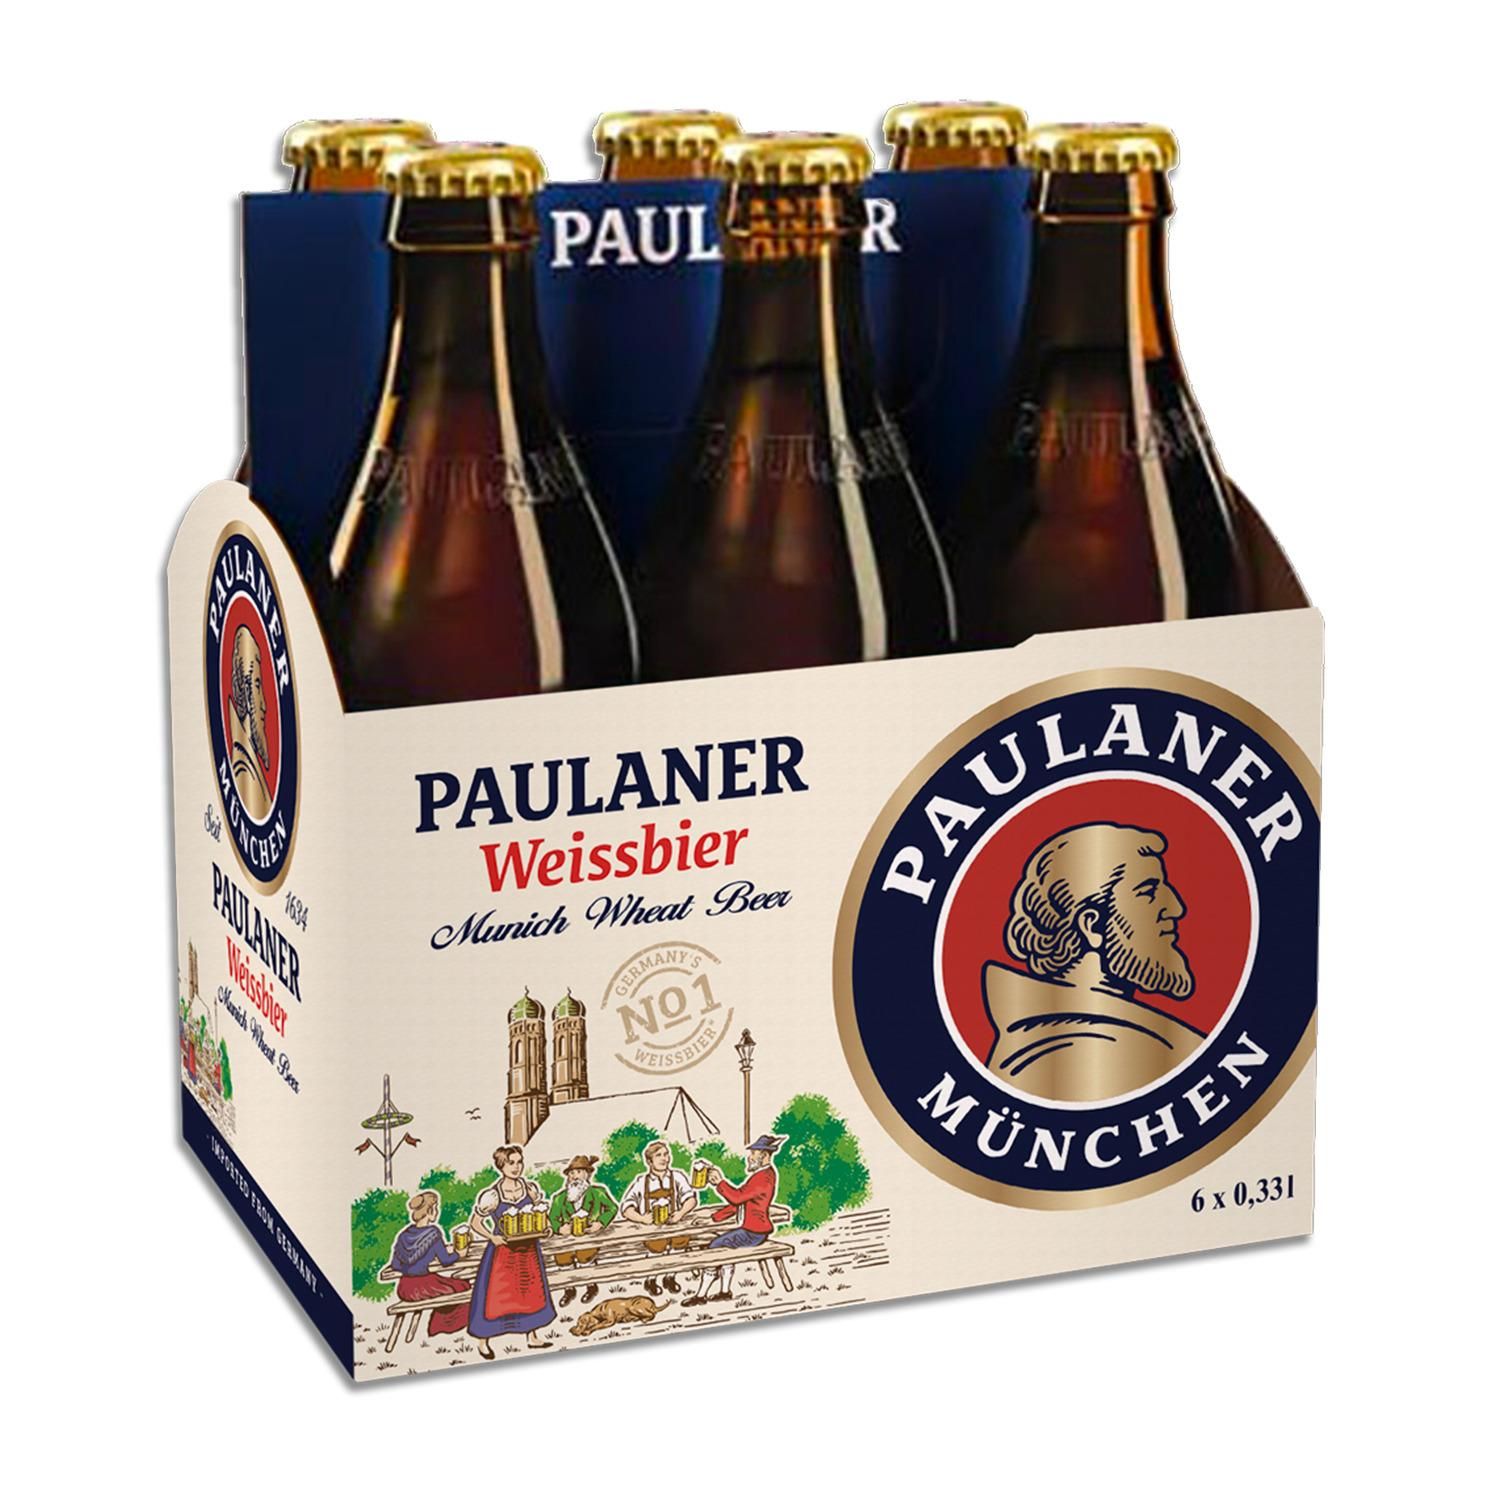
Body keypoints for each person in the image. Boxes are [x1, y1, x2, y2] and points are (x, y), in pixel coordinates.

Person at [985, 822, 1207, 1101]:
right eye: (1148, 892)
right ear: (1092, 925)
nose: (1176, 907)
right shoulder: (1079, 1053)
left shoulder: (1122, 1038)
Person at [467, 1145, 555, 1357]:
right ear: (501, 1166)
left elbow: (540, 1212)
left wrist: (546, 1226)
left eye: (519, 1162)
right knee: (496, 1297)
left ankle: (532, 1336)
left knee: (530, 1292)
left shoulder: (529, 1188)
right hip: (503, 1253)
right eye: (511, 1163)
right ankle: (483, 1342)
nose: (516, 1167)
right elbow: (475, 1222)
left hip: (528, 1250)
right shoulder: (492, 1195)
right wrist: (492, 1237)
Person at [685, 1135, 785, 1306]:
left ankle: (701, 1296)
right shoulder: (762, 1175)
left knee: (715, 1247)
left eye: (753, 1153)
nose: (749, 1157)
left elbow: (737, 1198)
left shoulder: (763, 1178)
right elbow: (740, 1202)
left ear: (764, 1155)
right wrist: (714, 1218)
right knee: (722, 1244)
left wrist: (720, 1183)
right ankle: (724, 1292)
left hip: (753, 1232)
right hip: (753, 1230)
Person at [619, 1140, 697, 1295]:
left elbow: (691, 1199)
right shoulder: (642, 1181)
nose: (664, 1158)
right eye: (659, 1155)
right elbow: (626, 1208)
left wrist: (680, 1213)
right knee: (657, 1247)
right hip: (652, 1229)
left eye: (666, 1154)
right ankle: (651, 1279)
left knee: (679, 1243)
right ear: (649, 1161)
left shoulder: (677, 1176)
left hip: (674, 1225)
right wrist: (642, 1218)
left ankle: (670, 1277)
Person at [388, 1189, 469, 1337]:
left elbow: (396, 1265)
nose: (437, 1211)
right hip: (422, 1286)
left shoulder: (404, 1235)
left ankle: (437, 1326)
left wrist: (413, 1264)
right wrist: (459, 1254)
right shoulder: (433, 1233)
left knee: (454, 1284)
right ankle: (440, 1326)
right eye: (436, 1208)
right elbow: (445, 1261)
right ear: (430, 1211)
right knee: (463, 1286)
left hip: (404, 1288)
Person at [547, 1154, 618, 1308]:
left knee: (585, 1255)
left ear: (587, 1174)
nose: (574, 1176)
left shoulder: (597, 1192)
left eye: (579, 1172)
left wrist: (600, 1223)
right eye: (571, 1173)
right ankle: (569, 1288)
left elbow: (612, 1208)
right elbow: (552, 1217)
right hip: (567, 1241)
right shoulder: (560, 1198)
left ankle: (590, 1286)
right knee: (562, 1257)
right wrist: (559, 1228)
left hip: (589, 1238)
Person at [227, 625, 272, 821]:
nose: (264, 705)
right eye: (257, 686)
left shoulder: (251, 765)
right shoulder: (243, 772)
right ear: (243, 692)